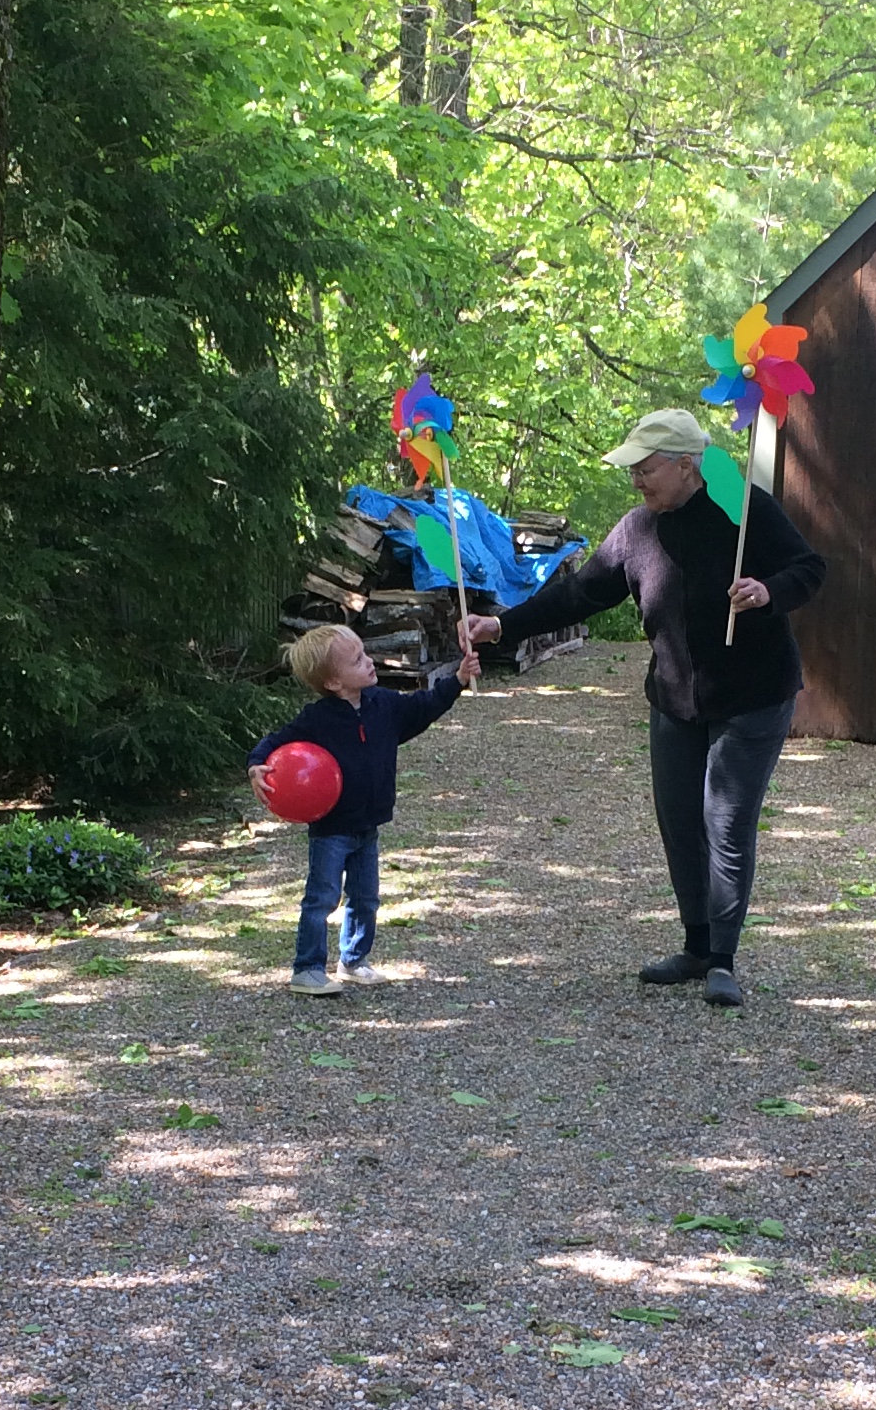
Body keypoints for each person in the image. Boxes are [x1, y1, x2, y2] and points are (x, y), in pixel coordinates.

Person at [463, 406, 823, 1007]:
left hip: (753, 697)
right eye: (632, 469)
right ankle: (696, 946)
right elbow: (580, 593)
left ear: (686, 466)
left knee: (725, 823)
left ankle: (723, 962)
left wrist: (768, 591)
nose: (636, 480)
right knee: (679, 820)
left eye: (645, 468)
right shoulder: (636, 530)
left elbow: (810, 568)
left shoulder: (744, 510)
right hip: (676, 700)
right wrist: (502, 626)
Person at [250, 623, 478, 992]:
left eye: (364, 653)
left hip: (368, 824)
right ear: (333, 683)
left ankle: (353, 961)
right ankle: (307, 968)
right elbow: (275, 742)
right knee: (322, 898)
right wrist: (256, 765)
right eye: (357, 660)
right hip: (331, 829)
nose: (369, 661)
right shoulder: (317, 719)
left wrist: (458, 679)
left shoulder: (382, 704)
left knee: (366, 898)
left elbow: (423, 706)